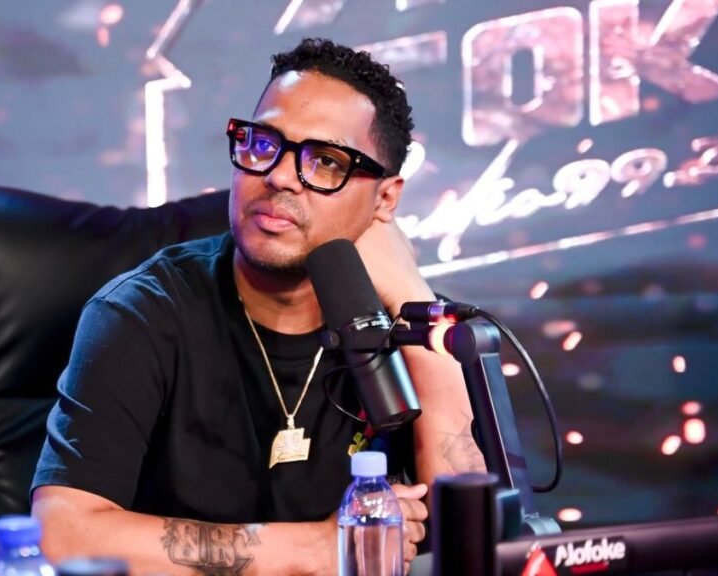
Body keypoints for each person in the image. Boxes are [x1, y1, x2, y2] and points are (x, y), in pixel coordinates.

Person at [31, 37, 485, 575]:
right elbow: (63, 535)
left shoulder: (402, 324)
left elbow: (472, 538)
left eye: (326, 161)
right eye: (263, 143)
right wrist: (314, 550)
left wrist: (414, 297)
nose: (278, 176)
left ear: (384, 199)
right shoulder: (142, 312)